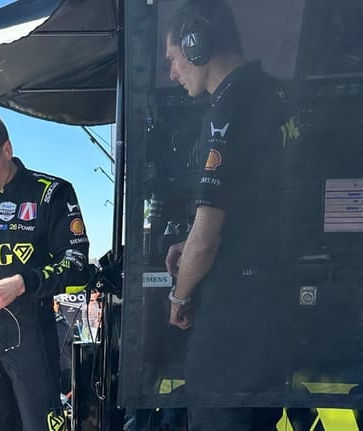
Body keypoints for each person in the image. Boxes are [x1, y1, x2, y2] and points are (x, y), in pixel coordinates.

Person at [162, 1, 294, 430]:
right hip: (268, 311)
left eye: (173, 59)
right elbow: (254, 206)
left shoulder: (230, 107)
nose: (172, 74)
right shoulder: (270, 95)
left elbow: (208, 237)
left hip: (232, 322)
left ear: (196, 45)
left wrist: (180, 296)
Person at [0, 108, 91, 431]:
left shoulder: (51, 193)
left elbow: (77, 266)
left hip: (33, 338)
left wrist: (23, 282)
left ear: (7, 150)